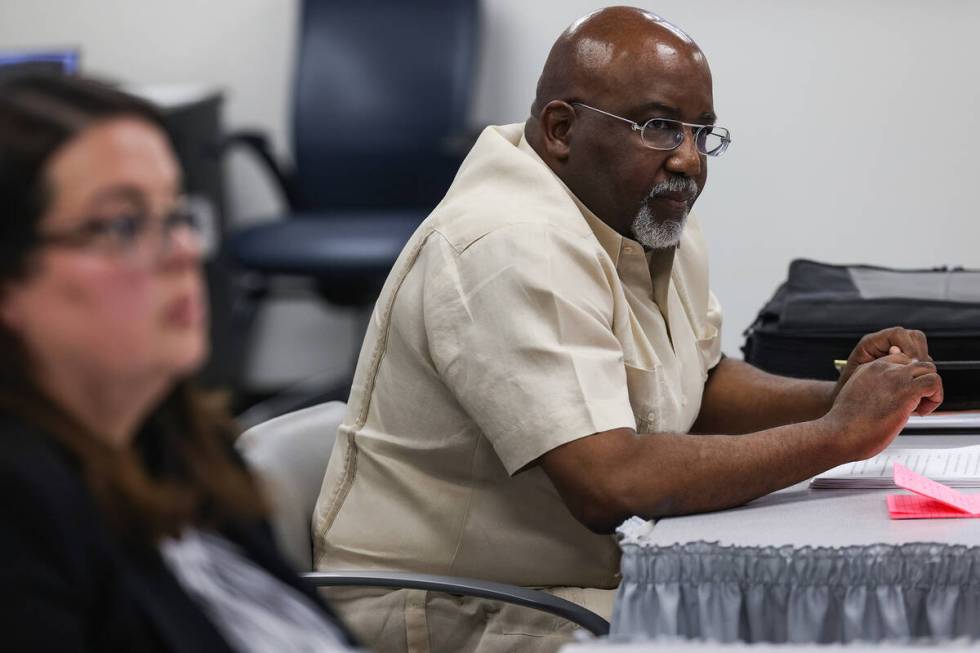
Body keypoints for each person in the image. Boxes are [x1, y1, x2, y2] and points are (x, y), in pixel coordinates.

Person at [312, 6, 943, 652]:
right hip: (447, 607)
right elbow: (608, 482)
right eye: (661, 127)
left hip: (570, 581)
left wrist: (839, 396)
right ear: (561, 129)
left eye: (703, 133)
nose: (689, 162)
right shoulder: (505, 242)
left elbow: (701, 383)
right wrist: (836, 436)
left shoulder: (643, 214)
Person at [0, 74, 359, 652]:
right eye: (122, 223)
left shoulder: (184, 447)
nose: (185, 249)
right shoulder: (19, 513)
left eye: (174, 213)